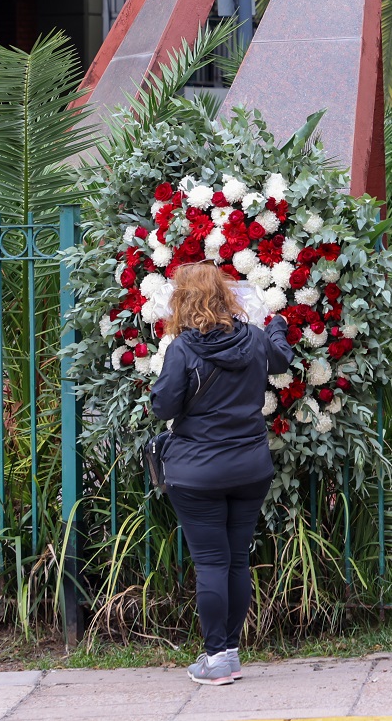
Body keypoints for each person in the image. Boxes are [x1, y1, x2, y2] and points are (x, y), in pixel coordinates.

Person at [150, 260, 294, 686]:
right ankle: (229, 653)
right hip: (250, 466)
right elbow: (281, 358)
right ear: (225, 295)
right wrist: (278, 325)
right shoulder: (251, 339)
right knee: (236, 560)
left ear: (184, 299)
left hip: (198, 473)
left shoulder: (182, 350)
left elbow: (164, 407)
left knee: (212, 562)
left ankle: (215, 659)